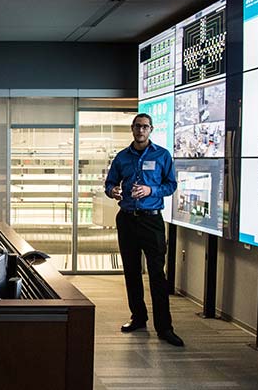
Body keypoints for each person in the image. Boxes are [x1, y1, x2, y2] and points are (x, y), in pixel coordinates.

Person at [104, 113, 184, 347]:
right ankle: (138, 317)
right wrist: (113, 192)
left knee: (157, 274)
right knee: (131, 271)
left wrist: (151, 191)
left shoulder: (162, 155)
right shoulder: (122, 157)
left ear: (151, 129)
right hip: (127, 219)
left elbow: (171, 185)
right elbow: (109, 183)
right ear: (132, 128)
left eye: (145, 127)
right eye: (137, 126)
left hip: (151, 221)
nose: (141, 130)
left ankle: (165, 327)